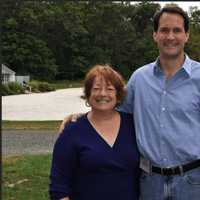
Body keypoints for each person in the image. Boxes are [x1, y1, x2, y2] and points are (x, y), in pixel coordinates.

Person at [59, 4, 200, 200]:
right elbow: (113, 111)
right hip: (150, 182)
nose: (170, 36)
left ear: (187, 35)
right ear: (155, 35)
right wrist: (81, 118)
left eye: (177, 30)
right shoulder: (139, 78)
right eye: (164, 30)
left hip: (193, 182)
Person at [49, 65, 140, 200]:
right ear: (88, 94)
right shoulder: (72, 132)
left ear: (118, 95)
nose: (102, 94)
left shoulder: (134, 125)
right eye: (96, 89)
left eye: (109, 89)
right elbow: (59, 187)